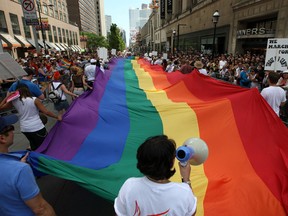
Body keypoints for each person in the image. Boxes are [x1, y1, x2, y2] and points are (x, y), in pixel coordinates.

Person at [114, 135, 197, 216]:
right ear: (171, 163)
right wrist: (186, 179)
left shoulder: (129, 186)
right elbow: (192, 212)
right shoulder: (184, 192)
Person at [0, 114, 56, 215]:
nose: (13, 131)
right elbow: (41, 209)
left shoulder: (16, 168)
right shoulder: (20, 170)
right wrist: (18, 169)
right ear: (2, 138)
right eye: (10, 128)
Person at [0, 84, 62, 150]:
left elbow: (1, 107)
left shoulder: (14, 101)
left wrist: (8, 97)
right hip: (37, 127)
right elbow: (46, 112)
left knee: (34, 146)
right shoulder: (34, 100)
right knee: (45, 145)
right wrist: (56, 117)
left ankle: (35, 157)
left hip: (24, 128)